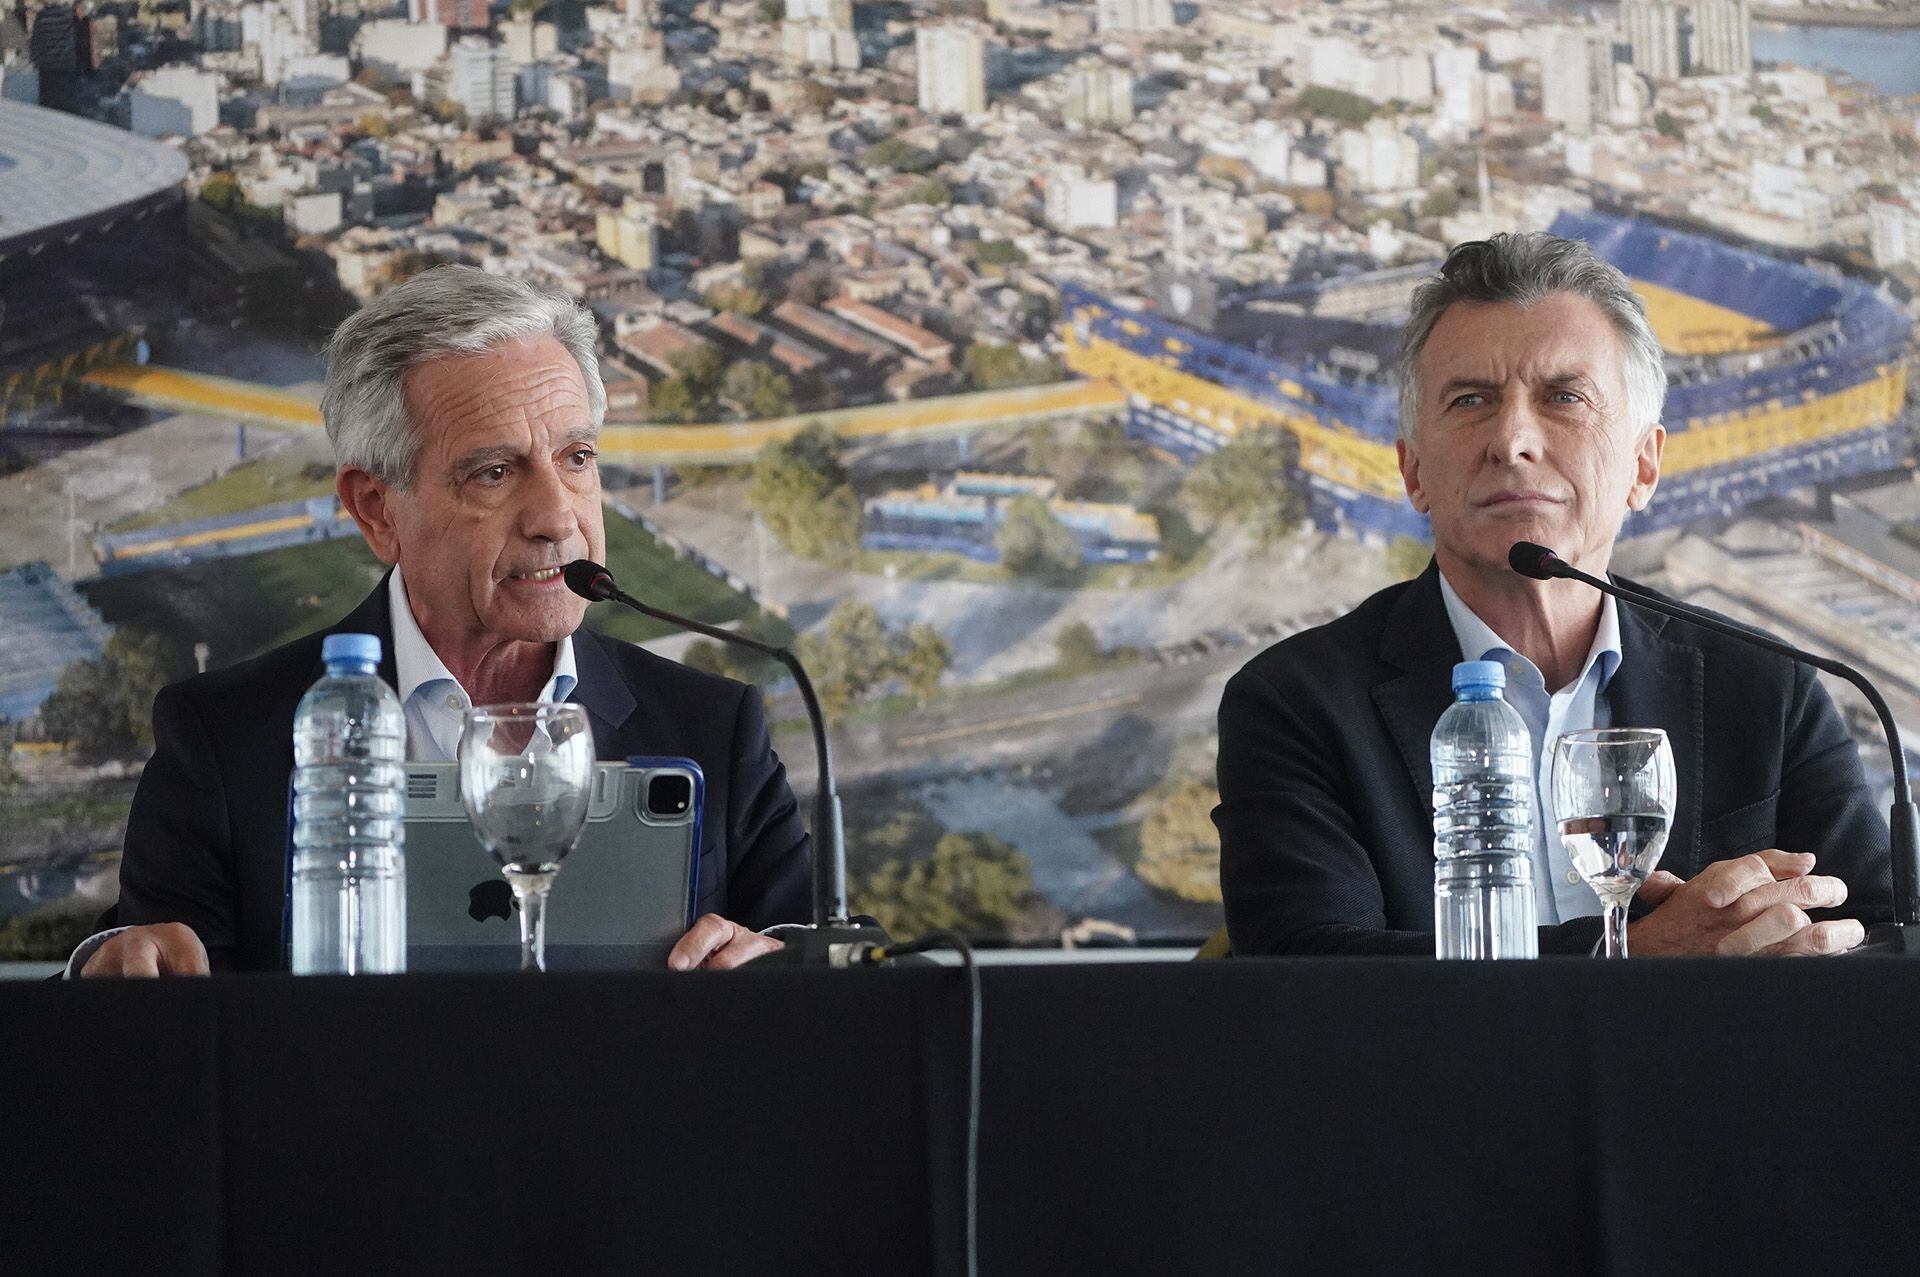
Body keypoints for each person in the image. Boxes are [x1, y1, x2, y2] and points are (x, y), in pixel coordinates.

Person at [73, 267, 806, 976]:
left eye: (576, 457)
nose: (558, 517)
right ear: (376, 508)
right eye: (494, 471)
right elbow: (146, 1025)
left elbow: (838, 969)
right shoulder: (223, 743)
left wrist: (782, 971)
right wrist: (114, 974)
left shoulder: (715, 728)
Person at [1215, 232, 1892, 956]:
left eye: (1564, 396)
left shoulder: (1765, 684)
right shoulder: (1296, 703)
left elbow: (1885, 938)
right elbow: (1307, 976)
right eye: (1471, 399)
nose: (1512, 439)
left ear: (1643, 465)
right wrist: (1634, 956)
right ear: (1414, 472)